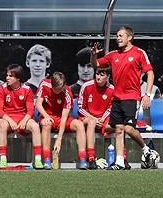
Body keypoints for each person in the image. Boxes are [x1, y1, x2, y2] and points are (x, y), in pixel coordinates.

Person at [91, 26, 154, 170]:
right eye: (117, 36)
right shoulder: (113, 55)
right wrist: (93, 55)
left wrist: (147, 94)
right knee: (119, 129)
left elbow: (150, 73)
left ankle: (145, 149)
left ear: (129, 37)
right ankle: (119, 161)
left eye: (120, 36)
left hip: (131, 98)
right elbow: (96, 64)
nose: (117, 38)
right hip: (117, 98)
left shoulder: (139, 53)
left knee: (129, 129)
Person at [78, 67, 131, 169]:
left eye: (102, 75)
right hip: (87, 118)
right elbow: (80, 108)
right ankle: (91, 159)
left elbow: (111, 107)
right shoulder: (86, 86)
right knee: (92, 123)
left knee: (120, 126)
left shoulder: (112, 89)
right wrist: (93, 118)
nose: (98, 77)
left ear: (108, 76)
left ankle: (123, 159)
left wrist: (102, 118)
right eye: (97, 74)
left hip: (103, 119)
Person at [36, 71, 88, 170]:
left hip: (61, 118)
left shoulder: (67, 92)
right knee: (46, 124)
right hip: (47, 115)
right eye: (55, 89)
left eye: (59, 89)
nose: (57, 91)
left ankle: (82, 159)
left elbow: (64, 117)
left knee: (79, 125)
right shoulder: (44, 84)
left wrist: (59, 139)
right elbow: (38, 104)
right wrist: (47, 116)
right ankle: (47, 159)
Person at [0, 64, 43, 169]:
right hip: (7, 118)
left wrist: (24, 121)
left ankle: (38, 158)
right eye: (7, 75)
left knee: (35, 126)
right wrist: (10, 121)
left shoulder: (27, 89)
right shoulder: (2, 88)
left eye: (10, 76)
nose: (7, 78)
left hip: (22, 117)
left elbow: (30, 110)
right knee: (2, 125)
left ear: (18, 78)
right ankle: (3, 158)